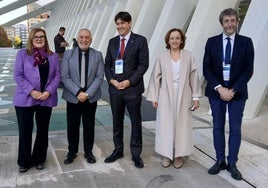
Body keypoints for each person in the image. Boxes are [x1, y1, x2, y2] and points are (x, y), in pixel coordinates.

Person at [203, 8, 254, 180]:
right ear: (221, 23)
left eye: (233, 20)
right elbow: (206, 68)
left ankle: (232, 163)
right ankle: (219, 161)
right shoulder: (211, 42)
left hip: (237, 94)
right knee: (217, 128)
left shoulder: (246, 42)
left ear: (237, 22)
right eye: (226, 21)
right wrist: (220, 88)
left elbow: (248, 70)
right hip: (216, 92)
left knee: (235, 129)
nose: (230, 24)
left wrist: (232, 90)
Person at [146, 28, 202, 168]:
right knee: (165, 124)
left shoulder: (189, 56)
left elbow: (193, 77)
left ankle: (179, 155)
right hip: (166, 93)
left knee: (182, 125)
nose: (175, 40)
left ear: (182, 40)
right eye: (172, 38)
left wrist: (195, 96)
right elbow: (155, 76)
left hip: (184, 93)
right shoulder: (162, 56)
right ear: (168, 40)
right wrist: (155, 96)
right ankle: (166, 154)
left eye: (177, 38)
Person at [104, 11, 149, 168]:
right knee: (117, 121)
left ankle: (136, 154)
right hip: (115, 89)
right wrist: (112, 80)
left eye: (122, 23)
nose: (119, 26)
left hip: (132, 89)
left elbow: (143, 64)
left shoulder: (140, 41)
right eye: (117, 23)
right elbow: (107, 65)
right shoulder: (112, 42)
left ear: (130, 23)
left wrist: (129, 82)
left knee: (135, 122)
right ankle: (118, 150)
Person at [13, 28, 61, 173]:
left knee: (42, 131)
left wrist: (48, 91)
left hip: (46, 99)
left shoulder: (52, 56)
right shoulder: (22, 54)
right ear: (31, 39)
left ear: (45, 39)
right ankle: (24, 161)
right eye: (36, 37)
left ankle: (39, 159)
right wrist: (31, 91)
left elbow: (57, 76)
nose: (39, 39)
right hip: (25, 99)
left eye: (42, 37)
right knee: (25, 130)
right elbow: (18, 75)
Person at [61, 28, 104, 164]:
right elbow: (65, 76)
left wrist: (87, 93)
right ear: (77, 38)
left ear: (91, 40)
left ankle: (88, 152)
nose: (84, 40)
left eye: (87, 38)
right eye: (81, 37)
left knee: (89, 125)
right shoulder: (68, 54)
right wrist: (78, 92)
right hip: (73, 97)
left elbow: (99, 77)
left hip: (90, 98)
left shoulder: (97, 55)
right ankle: (71, 152)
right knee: (72, 126)